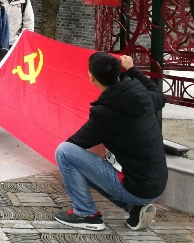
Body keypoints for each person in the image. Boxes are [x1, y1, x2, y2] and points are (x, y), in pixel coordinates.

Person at [54, 53, 168, 232]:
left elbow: (74, 145)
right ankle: (134, 209)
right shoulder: (140, 94)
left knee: (64, 152)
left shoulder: (105, 113)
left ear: (92, 77)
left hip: (137, 189)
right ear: (118, 72)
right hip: (156, 184)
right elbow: (159, 96)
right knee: (80, 161)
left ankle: (85, 213)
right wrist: (132, 69)